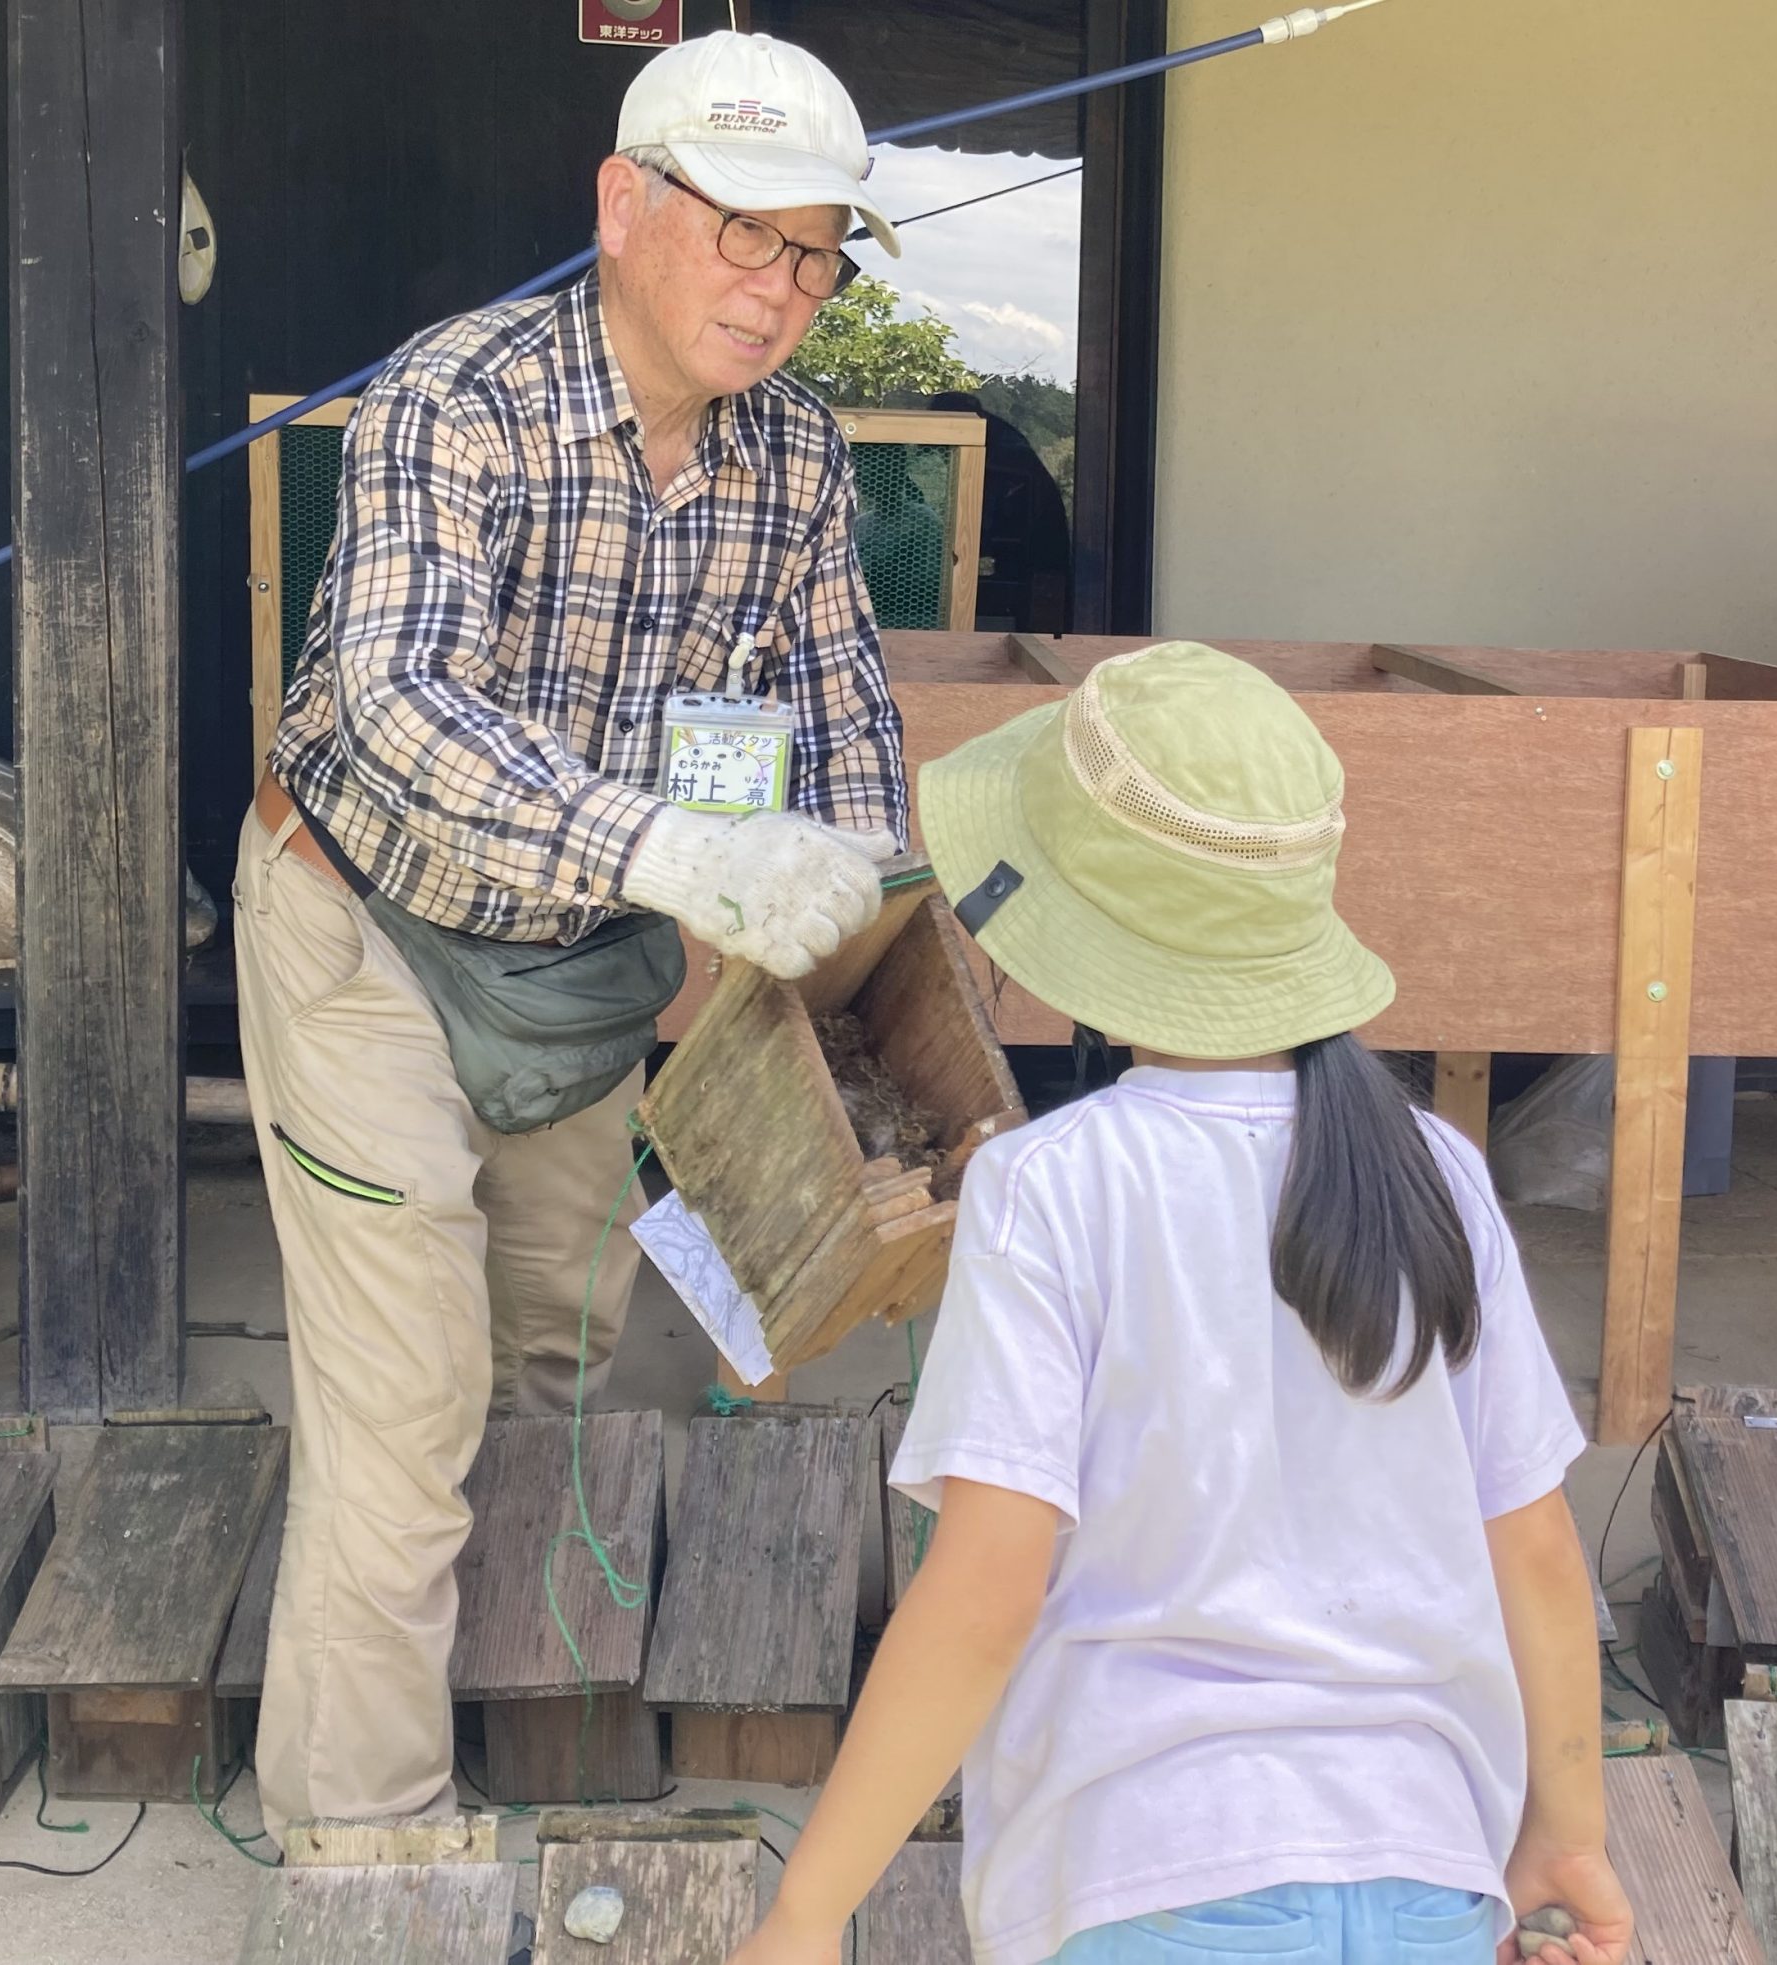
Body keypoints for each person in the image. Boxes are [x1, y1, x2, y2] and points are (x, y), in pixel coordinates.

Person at [236, 30, 910, 1833]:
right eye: (740, 235)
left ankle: (511, 1715)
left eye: (813, 253)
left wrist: (875, 921)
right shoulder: (464, 398)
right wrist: (675, 846)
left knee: (545, 1360)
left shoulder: (797, 467)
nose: (776, 294)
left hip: (583, 961)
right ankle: (359, 1839)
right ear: (626, 204)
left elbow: (845, 729)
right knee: (407, 1415)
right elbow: (385, 700)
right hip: (365, 927)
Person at [731, 643, 1635, 1965]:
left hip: (1144, 1877)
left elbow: (987, 1588)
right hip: (1428, 1877)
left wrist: (807, 1913)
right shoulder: (1436, 1165)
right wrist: (1570, 1832)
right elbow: (1540, 1548)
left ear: (1070, 915)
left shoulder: (1050, 1186)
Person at [928, 388, 1071, 631]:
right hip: (1024, 560)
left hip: (1037, 568)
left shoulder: (1000, 452)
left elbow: (987, 524)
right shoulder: (999, 441)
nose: (941, 456)